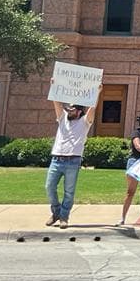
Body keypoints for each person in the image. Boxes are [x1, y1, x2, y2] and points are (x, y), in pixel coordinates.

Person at [45, 92, 99, 230]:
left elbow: (93, 108)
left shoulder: (85, 122)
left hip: (73, 161)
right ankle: (56, 212)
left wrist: (97, 92)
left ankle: (64, 217)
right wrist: (54, 86)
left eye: (72, 108)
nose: (69, 110)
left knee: (69, 192)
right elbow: (56, 102)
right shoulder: (62, 118)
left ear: (79, 111)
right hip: (56, 159)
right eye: (68, 108)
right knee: (49, 187)